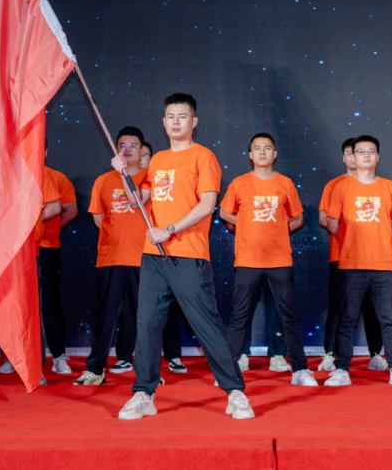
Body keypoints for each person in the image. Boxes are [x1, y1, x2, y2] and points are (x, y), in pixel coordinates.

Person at [116, 93, 253, 420]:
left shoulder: (203, 156)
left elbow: (207, 205)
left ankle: (235, 392)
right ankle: (144, 393)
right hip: (154, 257)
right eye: (170, 117)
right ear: (163, 123)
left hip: (189, 256)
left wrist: (169, 229)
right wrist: (124, 173)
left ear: (194, 121)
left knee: (207, 326)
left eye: (182, 116)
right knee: (147, 326)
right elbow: (137, 201)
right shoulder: (157, 160)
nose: (175, 122)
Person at [220, 133, 316, 386]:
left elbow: (298, 218)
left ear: (275, 154)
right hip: (248, 259)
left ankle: (300, 369)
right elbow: (224, 213)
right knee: (240, 315)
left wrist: (277, 228)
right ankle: (230, 369)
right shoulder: (239, 183)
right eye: (257, 148)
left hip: (279, 259)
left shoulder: (285, 183)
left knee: (289, 315)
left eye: (267, 148)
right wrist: (246, 224)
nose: (262, 152)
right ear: (250, 155)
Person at [324, 135, 392, 387]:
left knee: (389, 319)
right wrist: (351, 241)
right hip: (351, 265)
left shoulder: (389, 187)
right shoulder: (342, 187)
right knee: (347, 319)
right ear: (353, 156)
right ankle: (342, 369)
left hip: (383, 264)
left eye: (371, 151)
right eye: (361, 151)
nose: (366, 156)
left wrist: (380, 238)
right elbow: (331, 221)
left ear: (378, 157)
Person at [0, 164, 61, 387]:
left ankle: (34, 369)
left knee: (28, 310)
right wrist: (1, 222)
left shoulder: (37, 168)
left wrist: (26, 221)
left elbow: (55, 206)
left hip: (25, 250)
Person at [76, 127, 151, 385]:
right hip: (111, 258)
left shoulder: (151, 178)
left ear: (142, 150)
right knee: (105, 317)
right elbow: (99, 219)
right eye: (122, 146)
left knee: (145, 319)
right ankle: (95, 369)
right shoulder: (103, 181)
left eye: (133, 146)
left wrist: (122, 174)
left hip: (143, 258)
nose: (127, 150)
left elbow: (137, 202)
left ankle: (149, 372)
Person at [318, 138, 385, 373]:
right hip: (342, 257)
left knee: (372, 308)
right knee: (339, 307)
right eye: (348, 153)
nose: (354, 157)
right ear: (345, 158)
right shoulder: (335, 185)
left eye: (360, 152)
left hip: (373, 258)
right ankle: (330, 353)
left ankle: (376, 353)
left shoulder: (380, 186)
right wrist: (350, 240)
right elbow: (325, 219)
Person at [39, 143, 78, 375]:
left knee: (50, 302)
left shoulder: (57, 177)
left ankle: (58, 355)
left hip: (47, 248)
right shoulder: (14, 178)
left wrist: (51, 229)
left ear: (45, 152)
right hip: (19, 251)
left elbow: (70, 210)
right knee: (19, 304)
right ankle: (14, 357)